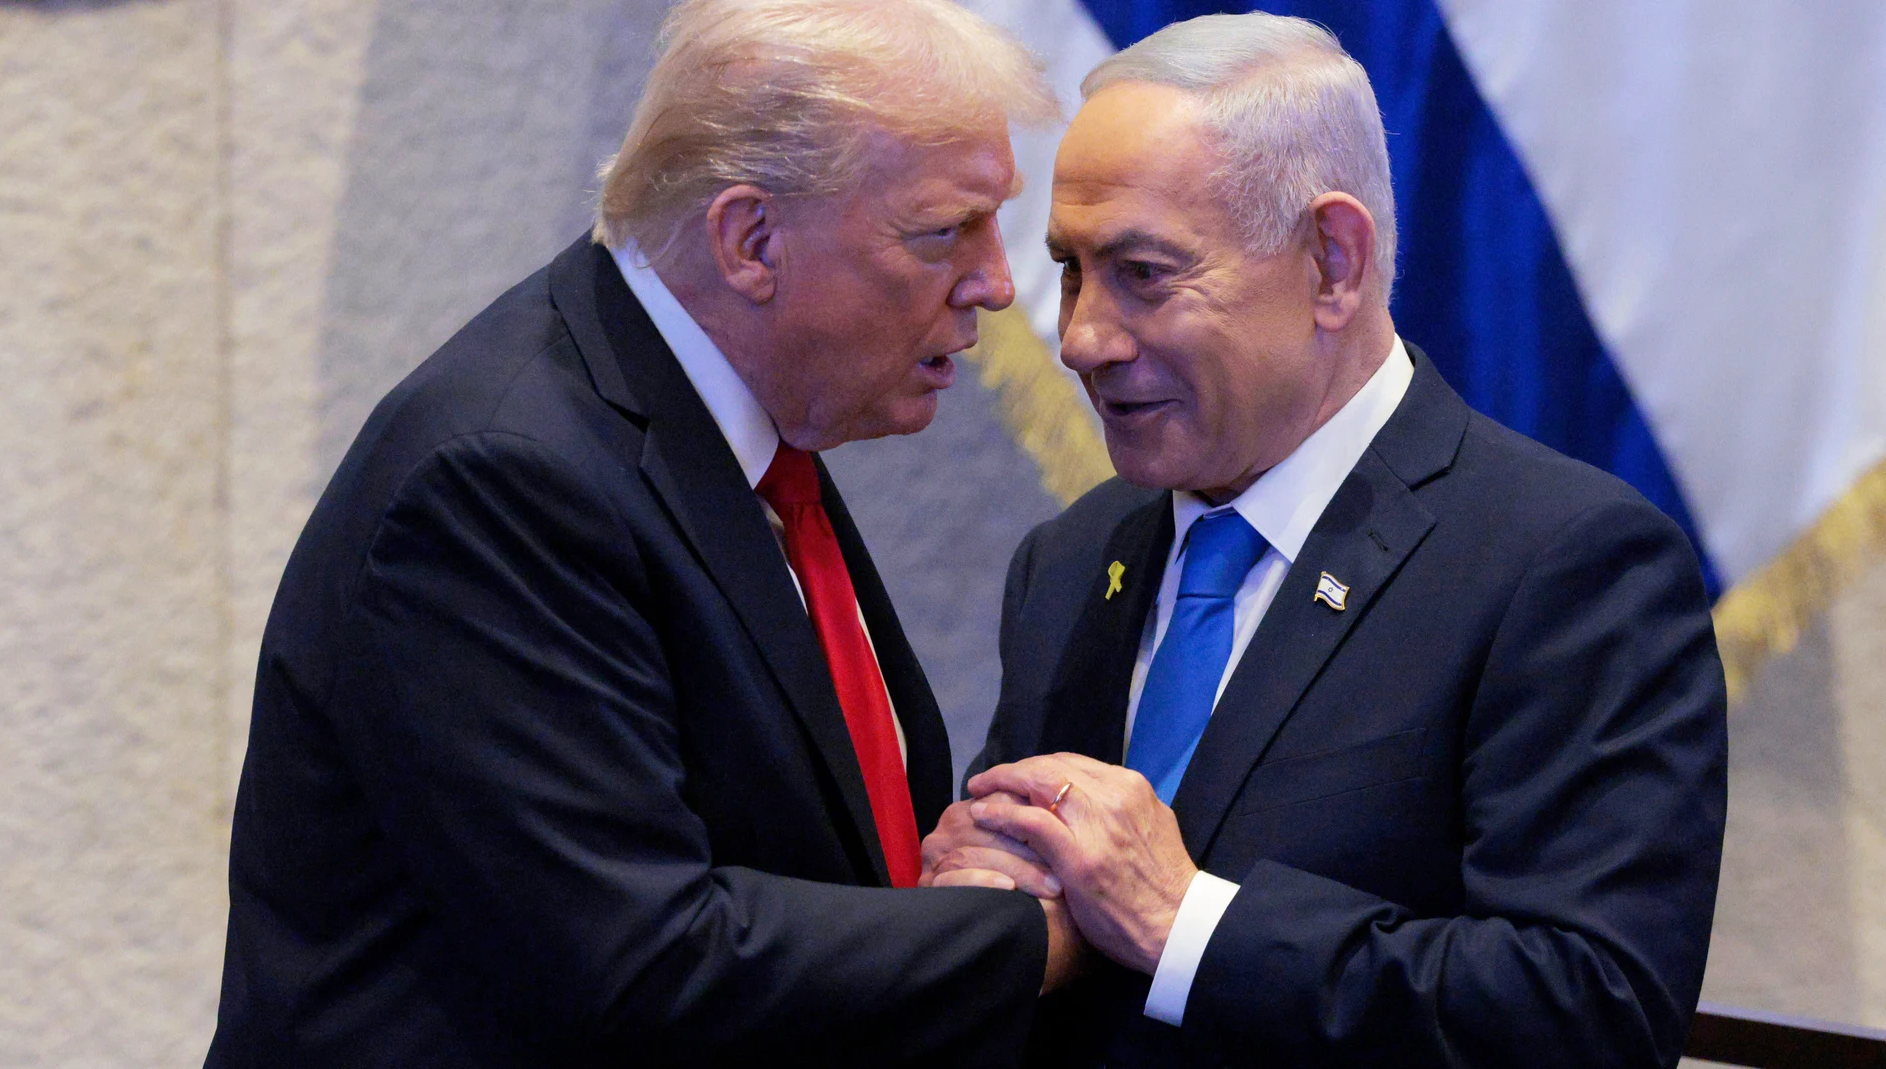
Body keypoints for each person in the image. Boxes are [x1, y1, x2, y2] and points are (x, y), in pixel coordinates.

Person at [205, 1, 1078, 1065]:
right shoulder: (501, 479)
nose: (994, 280)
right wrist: (1028, 936)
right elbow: (644, 960)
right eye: (944, 231)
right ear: (750, 239)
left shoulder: (737, 428)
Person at [922, 13, 1728, 1068]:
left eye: (1144, 273)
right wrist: (983, 901)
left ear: (1332, 262)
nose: (1082, 338)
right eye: (1071, 269)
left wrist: (1186, 925)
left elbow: (1590, 1015)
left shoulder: (1566, 568)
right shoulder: (1072, 562)